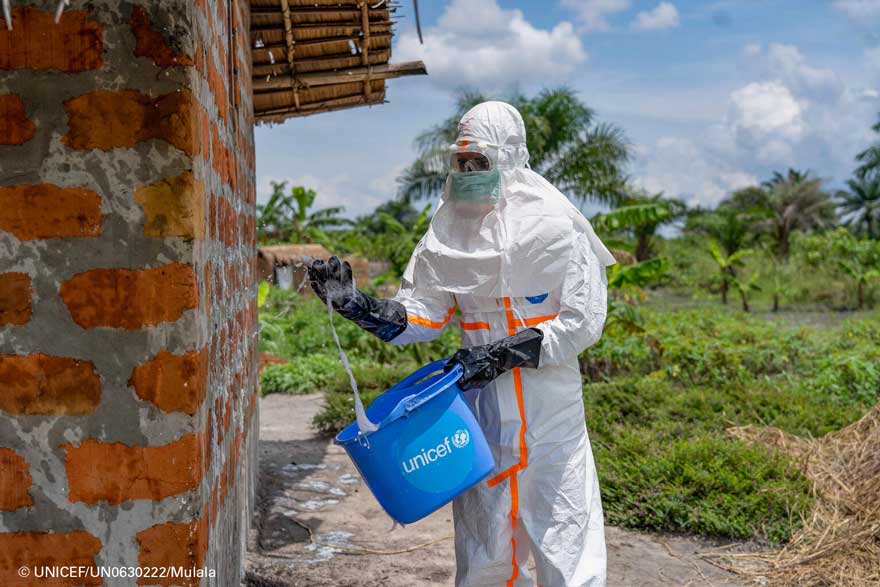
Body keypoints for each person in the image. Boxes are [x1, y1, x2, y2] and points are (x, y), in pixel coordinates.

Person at [308, 101, 615, 587]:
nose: (469, 173)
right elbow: (423, 314)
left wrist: (501, 355)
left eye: (480, 162)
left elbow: (582, 321)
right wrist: (359, 306)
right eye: (461, 162)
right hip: (481, 417)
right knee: (483, 551)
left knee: (566, 547)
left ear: (509, 157)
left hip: (551, 419)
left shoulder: (560, 228)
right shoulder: (446, 232)